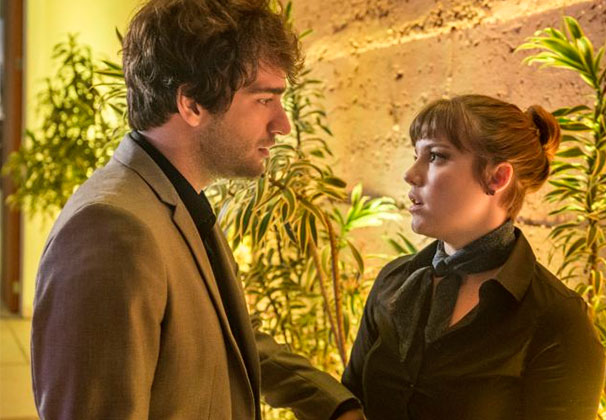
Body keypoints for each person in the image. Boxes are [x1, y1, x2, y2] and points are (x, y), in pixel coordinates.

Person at [30, 1, 363, 419]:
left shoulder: (172, 196)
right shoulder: (112, 229)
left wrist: (333, 404)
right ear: (191, 104)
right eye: (264, 100)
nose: (283, 124)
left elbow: (224, 333)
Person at [342, 95, 606, 419]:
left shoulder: (558, 319)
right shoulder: (392, 282)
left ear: (497, 177)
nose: (410, 174)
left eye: (436, 156)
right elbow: (350, 402)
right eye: (415, 156)